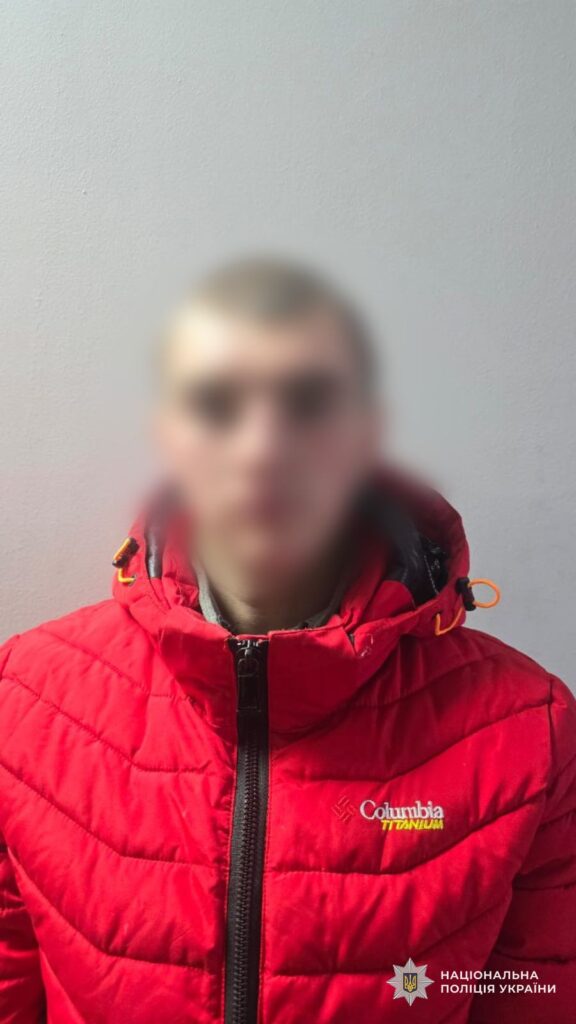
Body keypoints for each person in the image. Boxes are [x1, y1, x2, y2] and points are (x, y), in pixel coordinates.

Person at [0, 257, 574, 1024]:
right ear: (168, 435)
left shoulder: (530, 730)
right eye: (216, 404)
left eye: (310, 402)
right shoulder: (22, 699)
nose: (263, 448)